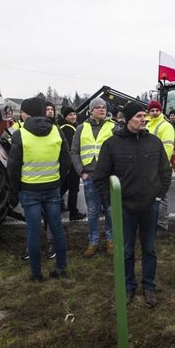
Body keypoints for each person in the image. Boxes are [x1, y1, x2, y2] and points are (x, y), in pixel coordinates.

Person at [94, 102, 171, 308]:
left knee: (149, 249)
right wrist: (112, 203)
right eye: (139, 116)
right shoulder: (112, 145)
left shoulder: (154, 142)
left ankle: (149, 286)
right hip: (125, 208)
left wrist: (158, 196)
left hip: (149, 207)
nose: (144, 119)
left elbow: (165, 172)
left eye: (144, 116)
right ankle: (129, 286)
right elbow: (100, 178)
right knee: (126, 250)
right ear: (127, 119)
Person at [8, 97, 71, 282]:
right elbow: (65, 160)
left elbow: (13, 167)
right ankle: (61, 268)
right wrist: (57, 180)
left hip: (29, 190)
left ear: (26, 113)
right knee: (57, 229)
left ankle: (36, 274)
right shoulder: (57, 131)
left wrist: (16, 189)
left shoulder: (20, 134)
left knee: (33, 232)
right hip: (52, 187)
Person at [71, 97, 115, 258]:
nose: (102, 109)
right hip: (89, 176)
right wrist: (81, 172)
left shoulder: (113, 127)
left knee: (110, 210)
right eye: (98, 107)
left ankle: (111, 240)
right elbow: (74, 151)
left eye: (104, 107)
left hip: (108, 177)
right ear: (91, 110)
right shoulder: (82, 128)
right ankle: (93, 241)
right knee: (92, 211)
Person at [145, 100, 175, 232]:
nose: (155, 112)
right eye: (152, 110)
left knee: (162, 196)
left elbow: (168, 148)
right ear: (149, 112)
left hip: (160, 167)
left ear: (161, 111)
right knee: (151, 195)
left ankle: (162, 224)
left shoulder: (166, 126)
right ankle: (153, 221)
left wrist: (160, 165)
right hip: (149, 166)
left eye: (157, 110)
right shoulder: (148, 125)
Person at [60, 106, 85, 221]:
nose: (73, 116)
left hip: (70, 162)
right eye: (70, 115)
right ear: (65, 117)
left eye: (74, 114)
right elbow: (71, 147)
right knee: (74, 188)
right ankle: (73, 213)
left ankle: (53, 203)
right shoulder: (67, 128)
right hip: (72, 163)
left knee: (65, 185)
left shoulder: (72, 127)